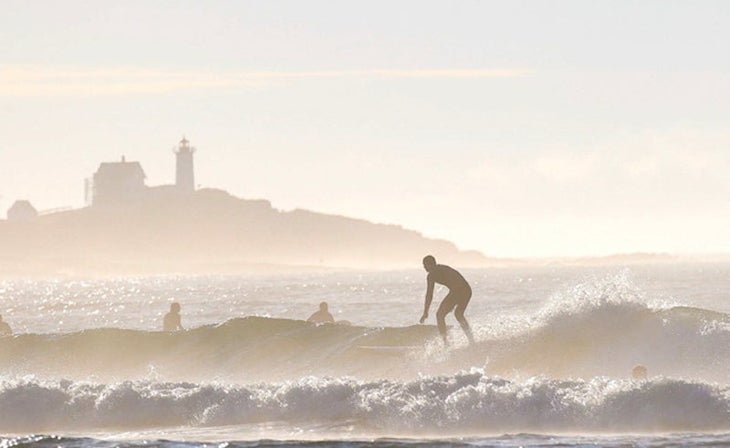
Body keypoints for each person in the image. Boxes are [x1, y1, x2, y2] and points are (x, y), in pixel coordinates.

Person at [419, 255, 474, 345]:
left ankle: (446, 344)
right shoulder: (442, 268)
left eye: (425, 265)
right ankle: (471, 340)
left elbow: (429, 294)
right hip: (467, 290)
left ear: (431, 264)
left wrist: (425, 312)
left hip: (459, 291)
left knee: (439, 315)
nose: (424, 268)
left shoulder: (432, 275)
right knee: (458, 314)